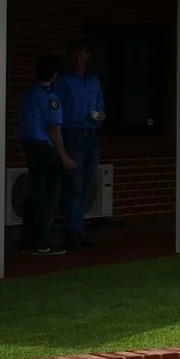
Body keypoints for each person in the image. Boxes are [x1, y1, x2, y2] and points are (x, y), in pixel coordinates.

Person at [54, 38, 107, 250]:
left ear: (88, 56)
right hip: (73, 133)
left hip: (91, 134)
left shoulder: (94, 82)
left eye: (82, 54)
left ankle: (79, 229)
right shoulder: (64, 81)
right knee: (74, 186)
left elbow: (101, 105)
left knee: (86, 185)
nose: (79, 58)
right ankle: (73, 233)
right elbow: (56, 110)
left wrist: (101, 116)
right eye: (75, 54)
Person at [16, 53, 70, 255]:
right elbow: (53, 129)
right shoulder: (50, 97)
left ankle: (27, 240)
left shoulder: (28, 94)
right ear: (54, 75)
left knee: (34, 196)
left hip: (31, 149)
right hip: (46, 149)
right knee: (47, 198)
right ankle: (41, 242)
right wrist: (63, 154)